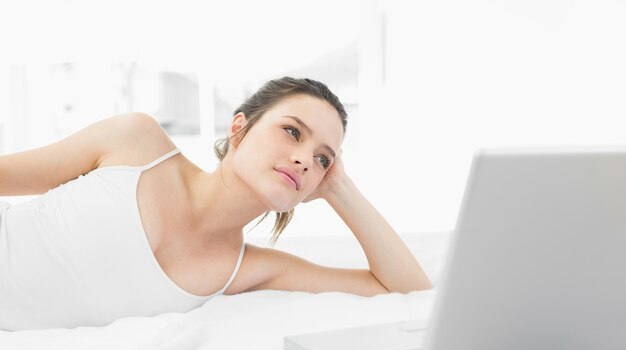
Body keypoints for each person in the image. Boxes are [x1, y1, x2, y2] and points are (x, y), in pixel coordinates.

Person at [0, 76, 432, 331]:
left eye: (323, 158)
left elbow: (408, 290)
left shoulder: (250, 269)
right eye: (293, 132)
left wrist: (341, 189)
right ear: (239, 130)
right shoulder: (136, 144)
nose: (305, 159)